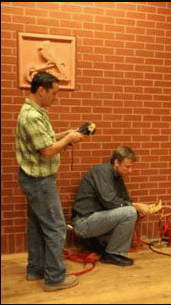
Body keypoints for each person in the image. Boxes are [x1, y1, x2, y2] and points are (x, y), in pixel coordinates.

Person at [16, 71, 88, 292]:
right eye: (54, 93)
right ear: (41, 90)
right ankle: (55, 278)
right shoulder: (32, 116)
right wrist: (68, 139)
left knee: (38, 226)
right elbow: (47, 151)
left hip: (33, 179)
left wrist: (65, 134)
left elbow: (44, 141)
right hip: (39, 182)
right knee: (57, 228)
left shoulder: (35, 111)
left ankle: (35, 269)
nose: (56, 97)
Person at [71, 146, 153, 267]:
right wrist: (135, 206)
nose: (130, 171)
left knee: (132, 212)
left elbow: (124, 201)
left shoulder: (117, 177)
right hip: (84, 222)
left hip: (97, 220)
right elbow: (109, 202)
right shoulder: (101, 172)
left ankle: (105, 247)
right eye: (128, 167)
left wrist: (142, 209)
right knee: (130, 212)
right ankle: (113, 254)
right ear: (116, 163)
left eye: (131, 167)